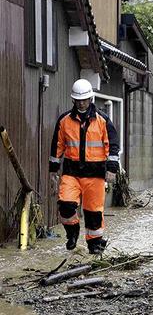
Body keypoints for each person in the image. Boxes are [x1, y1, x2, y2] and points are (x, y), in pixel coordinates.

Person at [49, 79, 120, 254]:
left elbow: (113, 145)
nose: (81, 103)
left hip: (95, 174)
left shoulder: (103, 120)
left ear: (90, 99)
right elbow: (57, 146)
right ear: (73, 100)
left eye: (84, 100)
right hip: (71, 172)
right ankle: (72, 234)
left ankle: (94, 245)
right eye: (78, 100)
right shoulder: (64, 121)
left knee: (93, 212)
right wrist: (53, 170)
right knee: (65, 205)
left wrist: (112, 169)